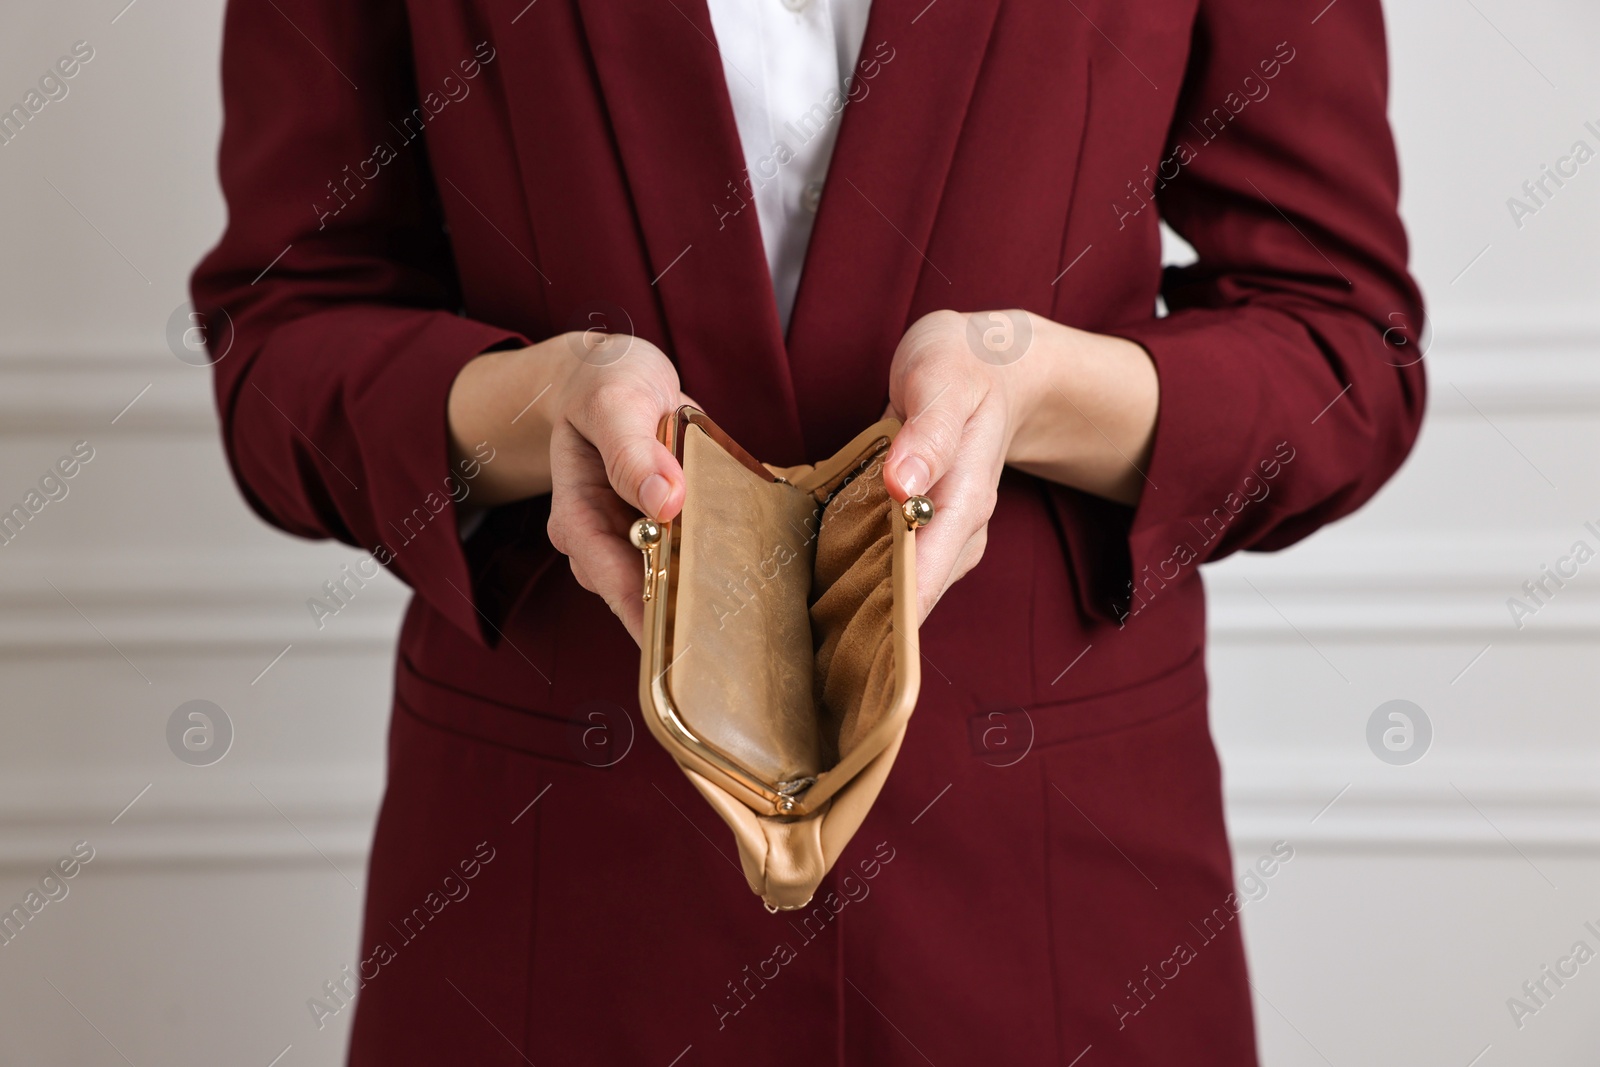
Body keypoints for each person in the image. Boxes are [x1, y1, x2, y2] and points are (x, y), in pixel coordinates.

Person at [192, 0, 1424, 1062]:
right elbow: (287, 335)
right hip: (556, 910)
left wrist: (1033, 387)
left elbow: (1342, 345)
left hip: (1047, 909)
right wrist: (539, 402)